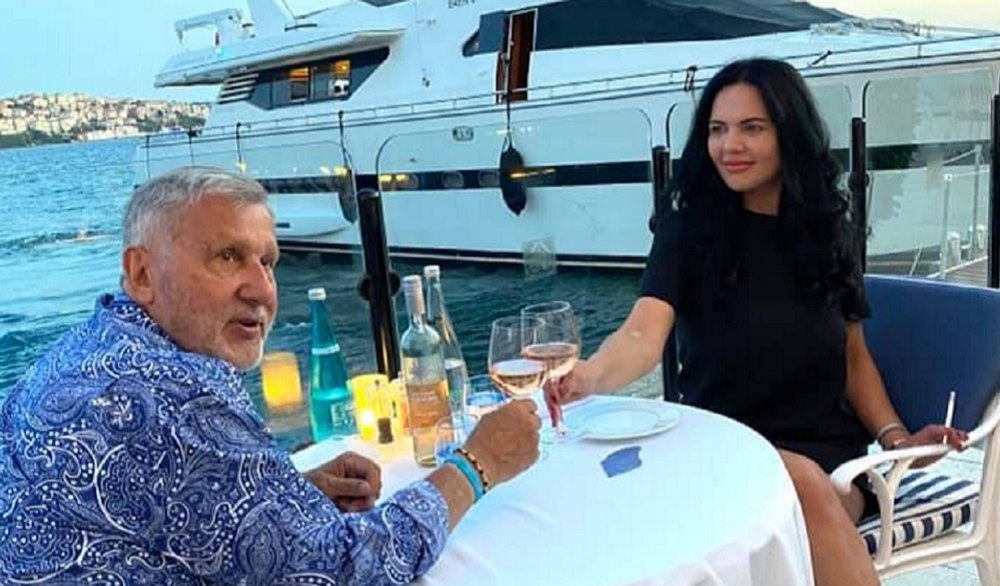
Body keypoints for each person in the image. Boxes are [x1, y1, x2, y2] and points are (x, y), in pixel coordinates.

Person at [0, 166, 541, 585]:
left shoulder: (88, 349)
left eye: (268, 262)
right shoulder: (176, 399)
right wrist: (479, 463)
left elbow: (159, 507)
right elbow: (347, 571)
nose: (262, 291)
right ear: (141, 273)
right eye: (227, 257)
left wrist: (283, 495)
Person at [547, 58, 967, 586]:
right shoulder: (689, 232)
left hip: (827, 464)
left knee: (803, 487)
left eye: (752, 128)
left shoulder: (826, 232)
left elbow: (853, 357)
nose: (730, 146)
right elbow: (642, 334)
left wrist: (898, 441)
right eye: (717, 129)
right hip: (715, 448)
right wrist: (590, 375)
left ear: (788, 134)